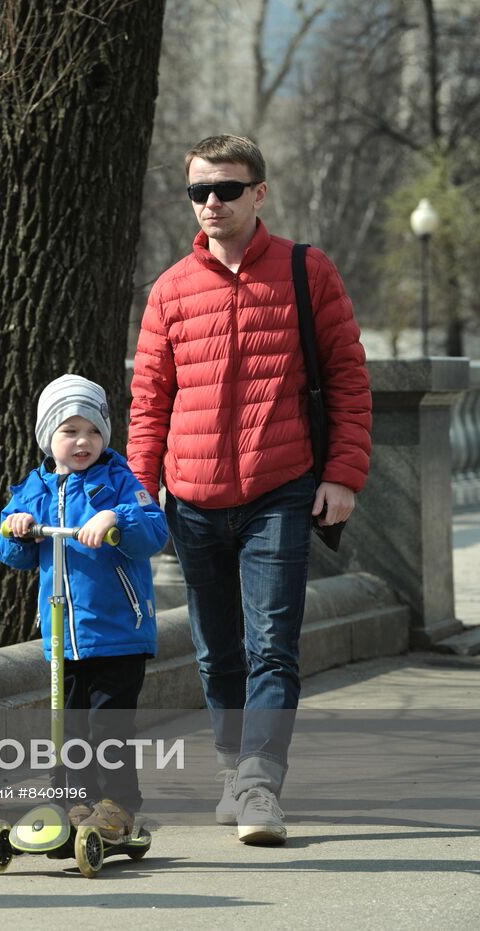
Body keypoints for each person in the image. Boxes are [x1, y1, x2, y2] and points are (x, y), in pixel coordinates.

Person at [129, 134, 372, 845]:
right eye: (199, 190)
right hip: (193, 498)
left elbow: (350, 380)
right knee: (215, 649)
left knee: (272, 642)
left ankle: (261, 783)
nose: (211, 203)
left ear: (258, 193)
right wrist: (143, 496)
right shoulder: (171, 289)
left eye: (227, 189)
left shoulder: (306, 271)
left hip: (281, 487)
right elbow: (150, 404)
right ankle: (235, 769)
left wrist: (342, 475)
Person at [0, 375, 168, 841]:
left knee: (107, 725)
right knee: (67, 726)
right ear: (48, 437)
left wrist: (115, 518)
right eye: (70, 431)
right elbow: (11, 552)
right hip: (62, 636)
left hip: (117, 633)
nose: (83, 441)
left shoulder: (118, 480)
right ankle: (74, 800)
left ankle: (117, 804)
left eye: (92, 431)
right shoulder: (37, 487)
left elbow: (154, 530)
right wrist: (16, 526)